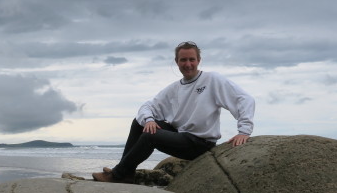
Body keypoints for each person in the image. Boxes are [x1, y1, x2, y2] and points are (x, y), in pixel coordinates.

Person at [93, 41, 255, 183]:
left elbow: (244, 98)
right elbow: (147, 107)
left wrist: (244, 131)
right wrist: (149, 120)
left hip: (200, 143)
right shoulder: (174, 88)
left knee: (151, 136)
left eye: (192, 59)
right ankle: (125, 173)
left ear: (198, 60)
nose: (188, 64)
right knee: (139, 123)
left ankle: (118, 174)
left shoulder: (212, 80)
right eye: (183, 60)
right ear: (177, 62)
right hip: (181, 136)